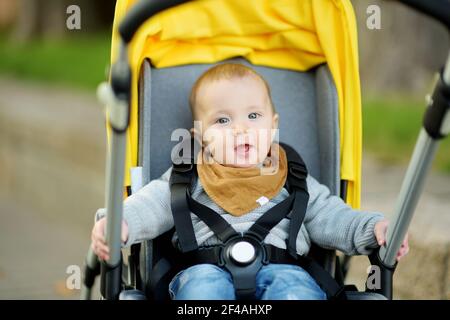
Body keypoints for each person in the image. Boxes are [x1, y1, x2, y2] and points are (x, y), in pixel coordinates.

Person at [91, 63, 409, 300]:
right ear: (199, 136)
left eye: (253, 117)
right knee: (202, 291)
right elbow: (150, 205)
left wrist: (373, 229)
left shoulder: (293, 177)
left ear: (273, 127)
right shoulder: (187, 176)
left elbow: (332, 216)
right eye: (223, 120)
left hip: (285, 269)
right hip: (204, 269)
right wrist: (119, 223)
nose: (241, 129)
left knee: (296, 292)